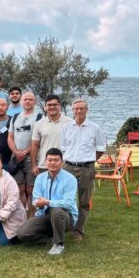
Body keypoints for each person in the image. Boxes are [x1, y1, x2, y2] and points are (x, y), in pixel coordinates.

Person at [17, 148, 78, 255]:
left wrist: (47, 202)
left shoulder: (70, 179)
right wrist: (39, 205)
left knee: (56, 210)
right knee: (23, 234)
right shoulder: (40, 178)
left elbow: (68, 203)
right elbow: (36, 200)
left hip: (66, 217)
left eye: (56, 160)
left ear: (62, 162)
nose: (52, 163)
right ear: (45, 162)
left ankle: (59, 244)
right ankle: (49, 238)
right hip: (44, 214)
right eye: (50, 160)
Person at [60, 99, 106, 241]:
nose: (79, 111)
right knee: (64, 198)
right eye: (76, 109)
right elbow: (63, 147)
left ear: (87, 110)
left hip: (86, 168)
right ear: (72, 110)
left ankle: (78, 230)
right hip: (67, 167)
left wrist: (89, 160)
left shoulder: (95, 128)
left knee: (84, 200)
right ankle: (63, 225)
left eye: (81, 108)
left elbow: (100, 149)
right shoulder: (66, 128)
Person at [7, 92, 42, 216]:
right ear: (21, 101)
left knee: (31, 189)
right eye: (25, 99)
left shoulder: (39, 117)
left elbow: (38, 140)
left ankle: (31, 217)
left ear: (35, 102)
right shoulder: (15, 117)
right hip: (16, 158)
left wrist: (25, 152)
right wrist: (16, 152)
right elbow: (10, 137)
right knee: (19, 189)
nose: (27, 102)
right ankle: (21, 217)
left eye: (30, 100)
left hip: (31, 158)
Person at [30, 94, 73, 176]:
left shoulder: (70, 123)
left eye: (55, 104)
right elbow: (34, 145)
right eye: (49, 105)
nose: (52, 107)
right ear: (45, 107)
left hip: (65, 166)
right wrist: (33, 165)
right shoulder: (39, 124)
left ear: (59, 106)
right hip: (44, 165)